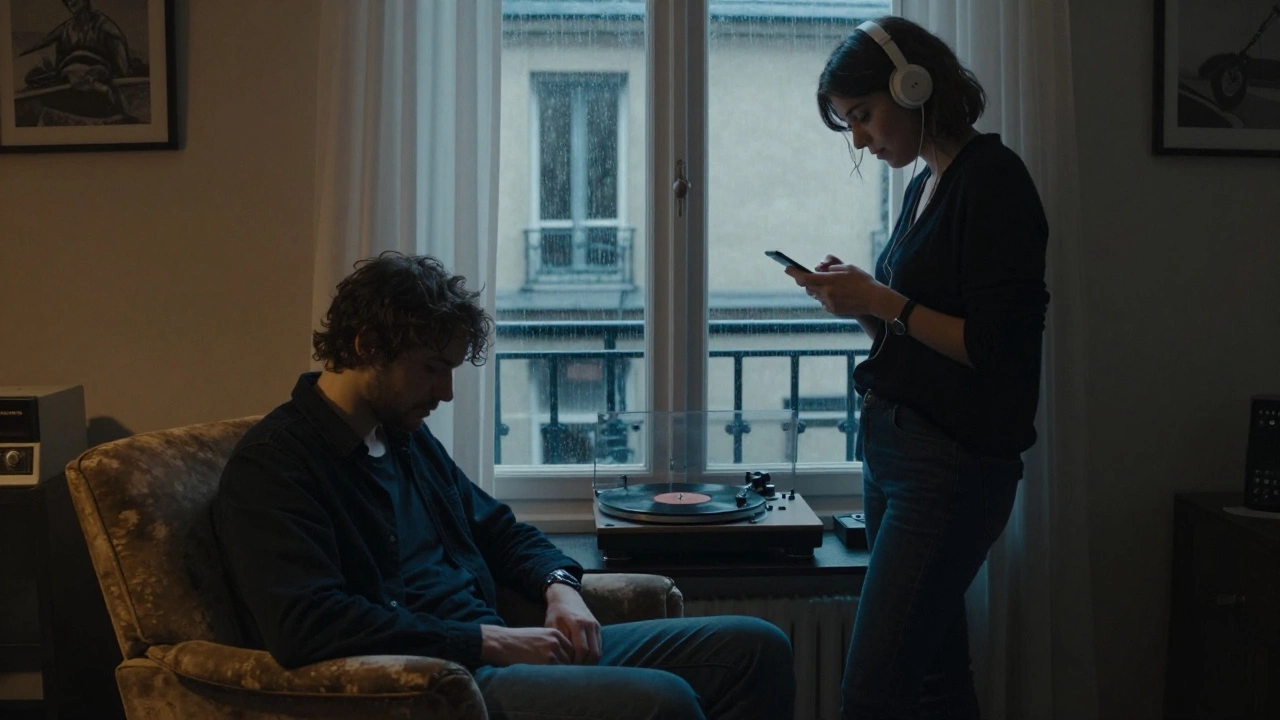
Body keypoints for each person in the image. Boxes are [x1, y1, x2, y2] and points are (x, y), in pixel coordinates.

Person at [211, 251, 796, 720]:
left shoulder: (404, 438)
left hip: (504, 649)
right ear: (367, 347)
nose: (446, 393)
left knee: (757, 646)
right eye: (432, 367)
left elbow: (500, 529)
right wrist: (489, 642)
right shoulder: (274, 467)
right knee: (665, 702)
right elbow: (308, 625)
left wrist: (561, 587)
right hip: (442, 681)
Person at [788, 16, 1049, 720]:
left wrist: (883, 297)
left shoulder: (992, 179)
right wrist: (862, 305)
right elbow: (918, 333)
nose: (862, 140)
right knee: (934, 676)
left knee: (872, 690)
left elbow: (994, 347)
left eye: (864, 116)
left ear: (914, 84)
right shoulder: (925, 186)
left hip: (950, 465)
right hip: (899, 453)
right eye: (850, 125)